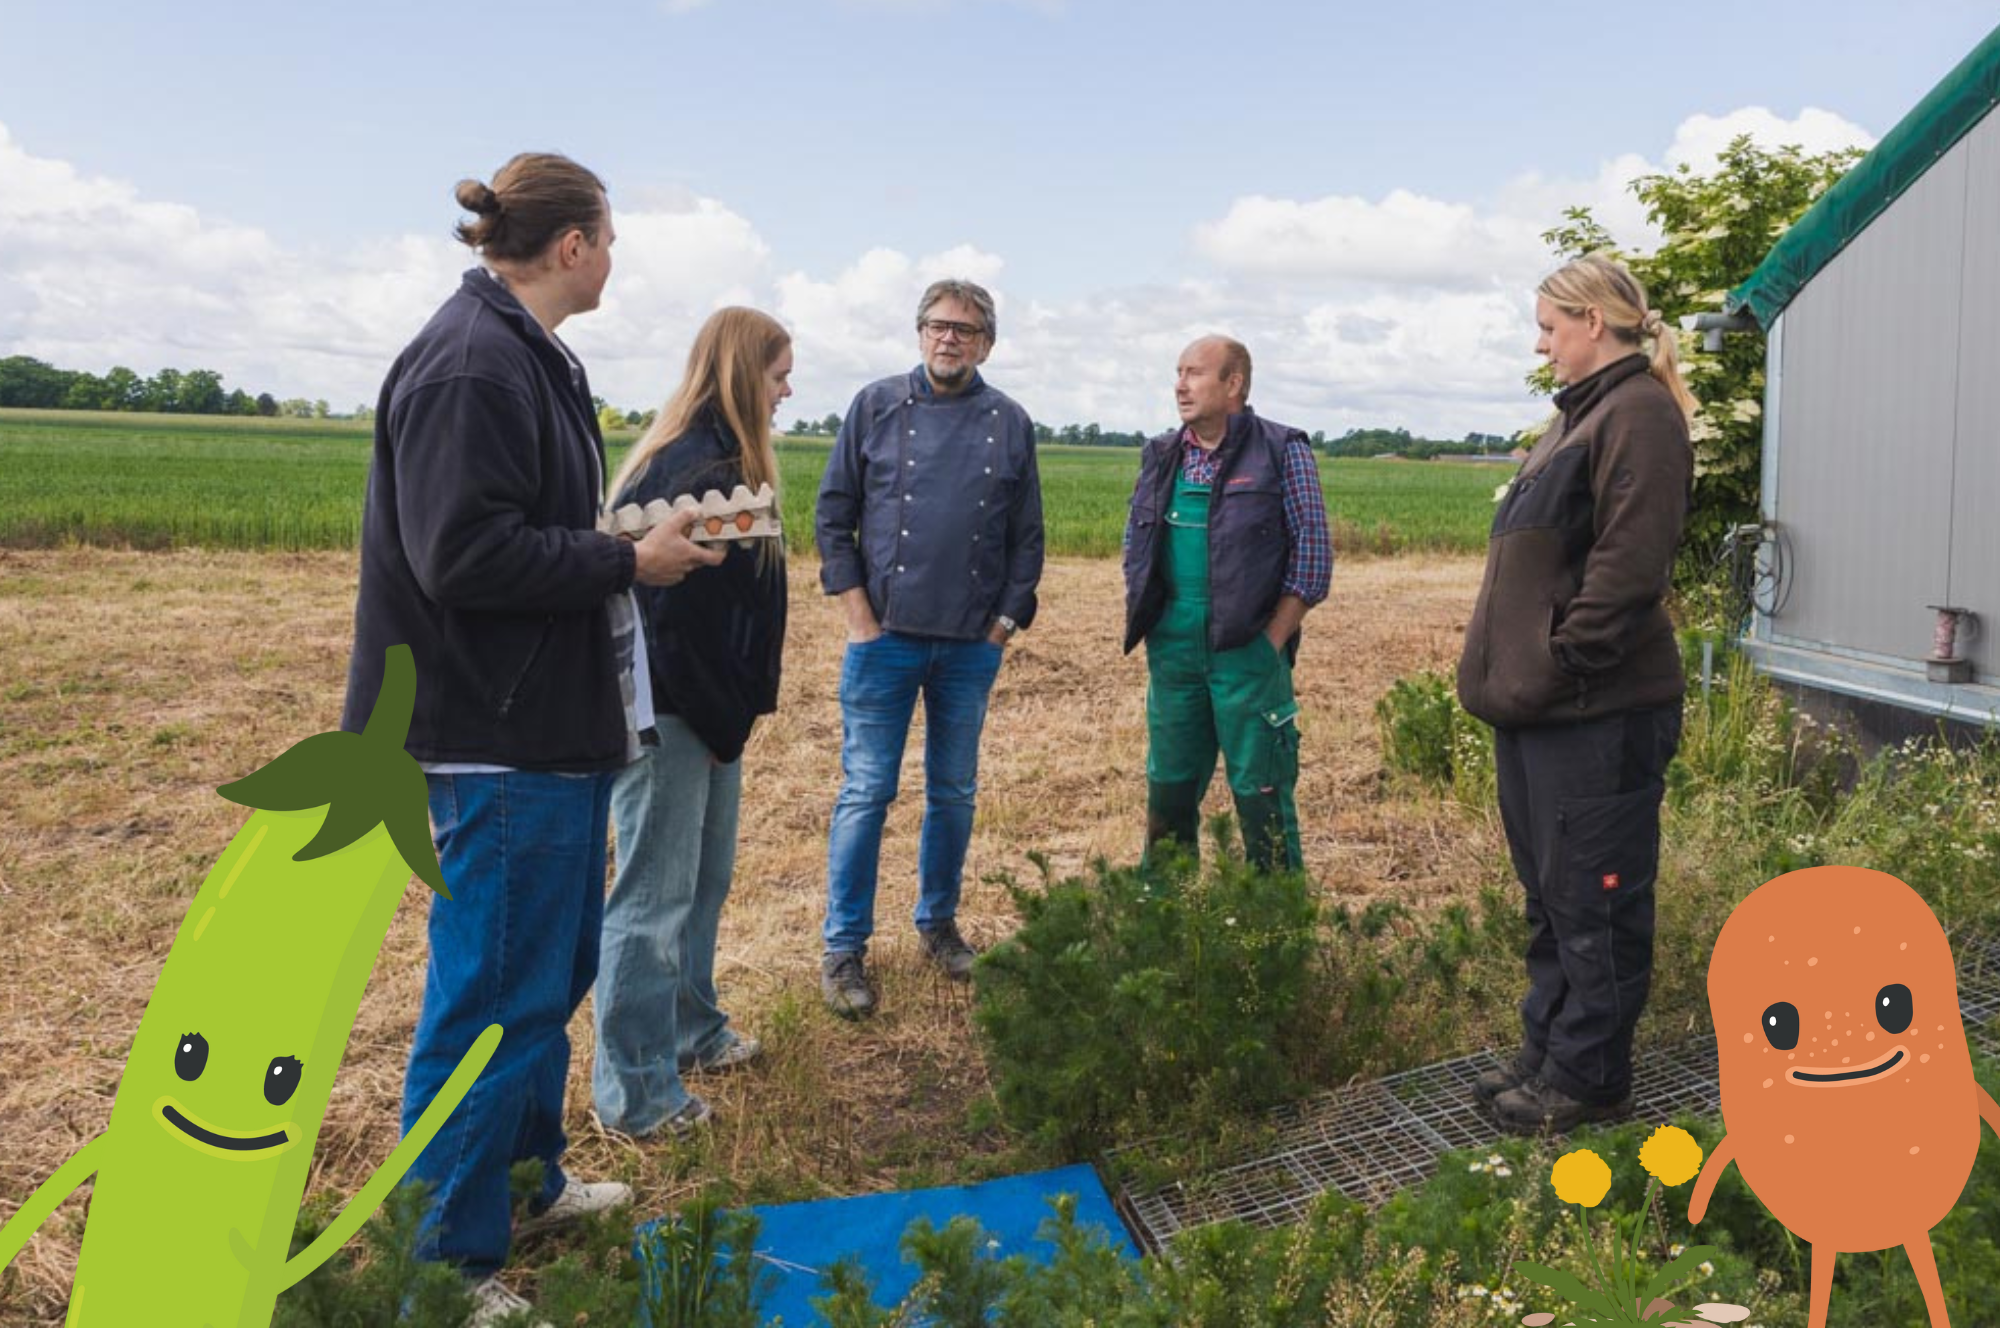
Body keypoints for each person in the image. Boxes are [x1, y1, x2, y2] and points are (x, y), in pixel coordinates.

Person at [341, 152, 722, 1325]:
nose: (613, 258)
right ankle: (439, 1269)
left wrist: (624, 532)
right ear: (572, 245)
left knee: (544, 978)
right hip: (486, 736)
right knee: (490, 999)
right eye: (609, 239)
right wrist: (627, 557)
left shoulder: (523, 354)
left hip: (541, 727)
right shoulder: (471, 365)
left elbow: (520, 527)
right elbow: (461, 555)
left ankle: (521, 1185)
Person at [1456, 253, 1695, 1135]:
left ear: (1595, 321)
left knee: (1596, 896)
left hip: (1596, 709)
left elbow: (1630, 568)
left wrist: (1559, 664)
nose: (1542, 343)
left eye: (1551, 327)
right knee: (1552, 895)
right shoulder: (1576, 421)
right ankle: (1548, 1053)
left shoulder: (1638, 414)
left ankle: (1591, 1078)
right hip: (1541, 710)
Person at [813, 278, 1044, 1018]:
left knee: (953, 792)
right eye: (939, 326)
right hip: (884, 640)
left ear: (987, 344)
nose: (951, 339)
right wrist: (858, 616)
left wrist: (1003, 626)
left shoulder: (1009, 422)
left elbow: (1027, 539)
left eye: (967, 330)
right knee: (867, 792)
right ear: (919, 334)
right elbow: (832, 515)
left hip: (968, 647)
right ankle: (845, 946)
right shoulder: (875, 408)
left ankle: (938, 924)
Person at [592, 307, 793, 1137]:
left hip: (709, 716)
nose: (789, 389)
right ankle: (635, 1092)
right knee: (651, 899)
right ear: (746, 372)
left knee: (699, 886)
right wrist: (719, 721)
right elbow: (673, 626)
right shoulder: (691, 467)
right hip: (674, 715)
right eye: (780, 372)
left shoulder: (726, 460)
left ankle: (689, 1030)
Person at [1121, 336, 1332, 872]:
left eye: (1194, 373)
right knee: (1168, 783)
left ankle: (1276, 922)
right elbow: (1136, 548)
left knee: (1259, 786)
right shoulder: (1163, 455)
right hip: (1174, 651)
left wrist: (1272, 642)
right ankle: (1163, 916)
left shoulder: (1283, 450)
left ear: (1233, 383)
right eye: (1177, 372)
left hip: (1248, 648)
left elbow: (1312, 558)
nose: (1179, 385)